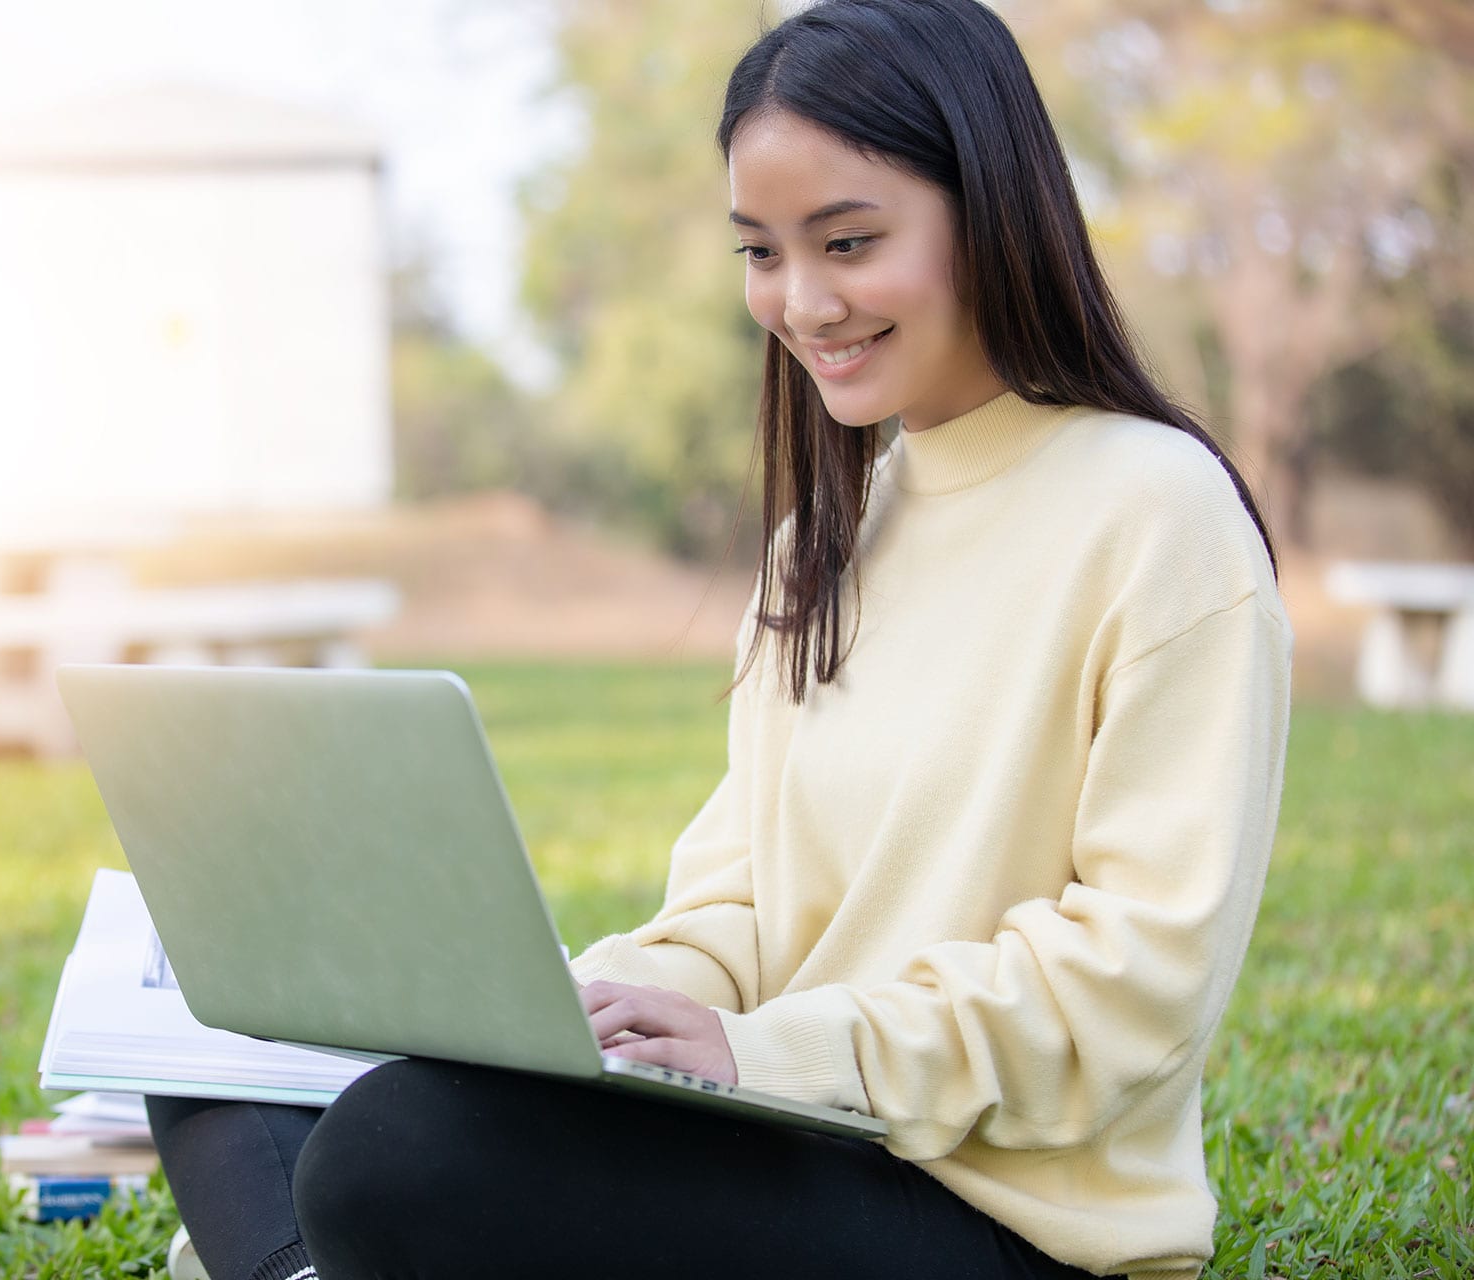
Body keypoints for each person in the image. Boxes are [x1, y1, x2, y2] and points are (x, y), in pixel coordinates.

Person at [145, 2, 1292, 1278]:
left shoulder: (1157, 510)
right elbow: (736, 905)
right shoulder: (826, 537)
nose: (802, 303)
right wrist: (570, 1008)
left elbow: (1133, 980)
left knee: (392, 1149)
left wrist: (779, 1051)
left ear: (991, 209)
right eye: (761, 251)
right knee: (220, 1063)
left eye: (849, 241)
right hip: (790, 1135)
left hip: (999, 1223)